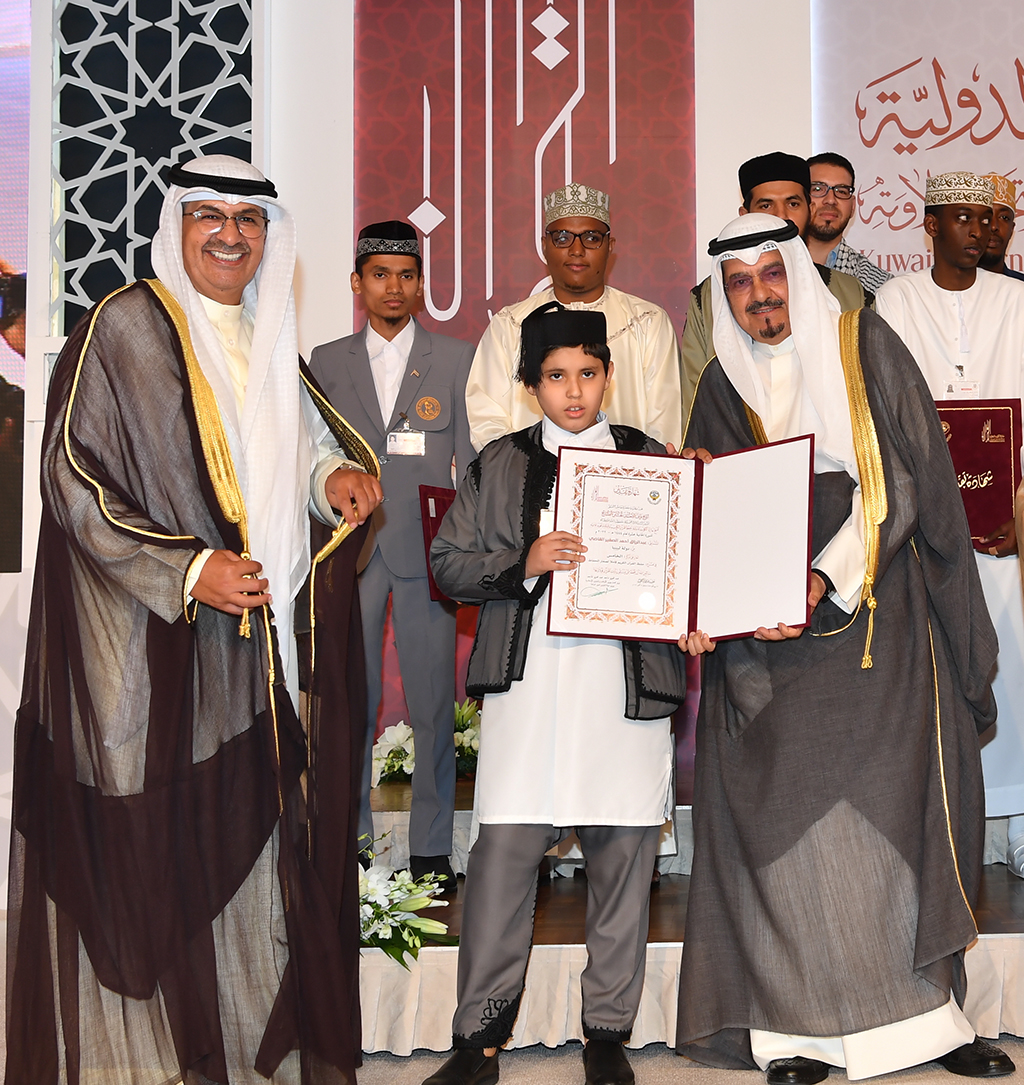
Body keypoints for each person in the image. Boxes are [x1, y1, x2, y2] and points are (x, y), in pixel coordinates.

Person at [5, 155, 383, 1085]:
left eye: (248, 219)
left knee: (252, 844)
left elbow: (287, 448)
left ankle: (238, 1051)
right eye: (208, 214)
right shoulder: (124, 325)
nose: (229, 234)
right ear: (177, 225)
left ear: (269, 236)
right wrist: (190, 566)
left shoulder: (266, 333)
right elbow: (73, 480)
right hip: (154, 647)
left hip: (259, 649)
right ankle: (139, 1063)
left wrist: (324, 478)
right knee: (155, 854)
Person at [676, 212, 1013, 1082]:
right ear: (725, 296)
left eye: (772, 274)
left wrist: (822, 579)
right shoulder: (719, 381)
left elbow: (902, 482)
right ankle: (796, 1034)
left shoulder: (866, 346)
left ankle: (930, 1024)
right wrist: (727, 601)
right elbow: (715, 504)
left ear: (797, 270)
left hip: (879, 626)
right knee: (785, 825)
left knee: (894, 811)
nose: (760, 296)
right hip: (768, 649)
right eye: (739, 284)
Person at [425, 302, 693, 1085]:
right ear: (530, 383)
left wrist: (691, 613)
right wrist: (526, 558)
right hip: (529, 684)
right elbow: (447, 563)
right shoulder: (498, 462)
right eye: (555, 377)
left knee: (621, 860)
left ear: (608, 374)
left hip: (623, 685)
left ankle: (606, 1035)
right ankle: (477, 1040)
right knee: (504, 855)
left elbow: (686, 564)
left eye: (587, 373)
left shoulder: (651, 458)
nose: (573, 392)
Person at [308, 220, 475, 885]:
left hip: (427, 553)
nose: (394, 287)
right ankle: (350, 842)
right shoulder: (325, 362)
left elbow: (472, 464)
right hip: (349, 552)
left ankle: (432, 848)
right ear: (358, 283)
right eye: (380, 274)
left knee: (434, 702)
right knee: (352, 699)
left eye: (407, 275)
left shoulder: (455, 359)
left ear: (421, 285)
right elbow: (313, 460)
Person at [876, 171, 1024, 876]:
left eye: (997, 218)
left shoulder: (1019, 302)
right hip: (926, 539)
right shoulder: (896, 299)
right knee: (935, 682)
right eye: (966, 217)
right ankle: (947, 834)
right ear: (930, 224)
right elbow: (890, 419)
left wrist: (1018, 513)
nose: (985, 230)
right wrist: (932, 519)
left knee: (1015, 672)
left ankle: (1020, 828)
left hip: (1008, 537)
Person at [465, 181, 682, 452]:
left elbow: (664, 425)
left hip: (627, 483)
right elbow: (488, 421)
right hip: (530, 485)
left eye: (591, 237)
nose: (577, 250)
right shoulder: (509, 326)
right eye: (563, 238)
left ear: (610, 245)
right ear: (545, 245)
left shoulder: (648, 322)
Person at [680, 151, 872, 420]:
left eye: (793, 204)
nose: (781, 217)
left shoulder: (852, 293)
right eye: (766, 206)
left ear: (810, 209)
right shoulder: (707, 298)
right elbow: (694, 399)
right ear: (744, 215)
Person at [804, 152, 892, 292]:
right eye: (818, 189)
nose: (831, 200)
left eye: (842, 191)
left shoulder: (880, 286)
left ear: (852, 207)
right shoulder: (771, 269)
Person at [978, 173, 1024, 282]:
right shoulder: (942, 288)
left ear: (1012, 229)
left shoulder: (1021, 288)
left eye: (1004, 217)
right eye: (986, 216)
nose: (993, 226)